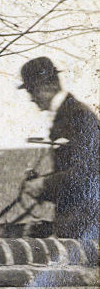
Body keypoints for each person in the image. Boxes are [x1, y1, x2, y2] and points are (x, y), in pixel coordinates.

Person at [18, 56, 100, 241]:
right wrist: (42, 184)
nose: (31, 98)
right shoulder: (64, 115)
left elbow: (88, 173)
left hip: (84, 227)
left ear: (48, 85)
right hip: (74, 224)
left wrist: (43, 185)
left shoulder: (78, 116)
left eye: (32, 90)